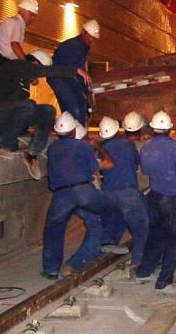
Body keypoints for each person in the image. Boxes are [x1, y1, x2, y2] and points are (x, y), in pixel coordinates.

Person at [0, 50, 91, 179]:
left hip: (5, 119)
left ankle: (32, 153)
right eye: (37, 73)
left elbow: (19, 111)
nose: (36, 79)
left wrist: (23, 127)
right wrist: (74, 71)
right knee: (28, 105)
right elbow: (40, 72)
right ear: (35, 63)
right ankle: (3, 145)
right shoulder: (15, 66)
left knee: (48, 110)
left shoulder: (23, 84)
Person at [41, 111, 114, 279]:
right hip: (83, 191)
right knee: (109, 207)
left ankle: (51, 269)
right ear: (74, 131)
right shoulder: (83, 146)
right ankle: (109, 241)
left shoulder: (52, 148)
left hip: (61, 195)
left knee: (53, 230)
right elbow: (93, 170)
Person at [136, 111, 176, 292]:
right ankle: (164, 281)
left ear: (153, 129)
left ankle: (144, 272)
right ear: (169, 130)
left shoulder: (147, 146)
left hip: (153, 196)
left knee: (155, 236)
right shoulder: (174, 147)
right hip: (171, 199)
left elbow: (144, 170)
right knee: (173, 239)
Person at [97, 116, 149, 268]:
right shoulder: (128, 146)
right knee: (142, 227)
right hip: (127, 192)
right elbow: (137, 165)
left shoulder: (100, 148)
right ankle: (137, 262)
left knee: (115, 218)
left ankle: (106, 246)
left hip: (107, 192)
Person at [47, 20, 100, 126]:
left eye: (94, 38)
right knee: (73, 106)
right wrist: (86, 89)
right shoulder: (71, 46)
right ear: (83, 32)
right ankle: (72, 132)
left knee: (81, 105)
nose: (92, 40)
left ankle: (77, 131)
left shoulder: (84, 47)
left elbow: (79, 72)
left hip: (68, 78)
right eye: (90, 37)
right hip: (58, 78)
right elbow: (75, 69)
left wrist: (86, 91)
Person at [0, 0, 38, 72]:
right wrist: (27, 65)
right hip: (2, 60)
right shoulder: (16, 22)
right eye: (31, 14)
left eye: (34, 16)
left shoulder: (15, 22)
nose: (32, 18)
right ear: (23, 11)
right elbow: (14, 45)